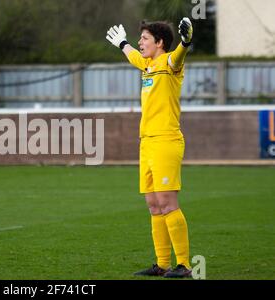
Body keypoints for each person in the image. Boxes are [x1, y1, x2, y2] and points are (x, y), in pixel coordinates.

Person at [106, 18, 194, 278]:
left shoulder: (169, 63)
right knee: (154, 204)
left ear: (160, 43)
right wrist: (122, 43)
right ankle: (162, 264)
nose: (140, 42)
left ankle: (185, 266)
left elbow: (178, 56)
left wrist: (186, 42)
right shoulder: (146, 65)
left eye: (145, 38)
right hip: (147, 143)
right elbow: (133, 57)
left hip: (166, 141)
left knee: (167, 202)